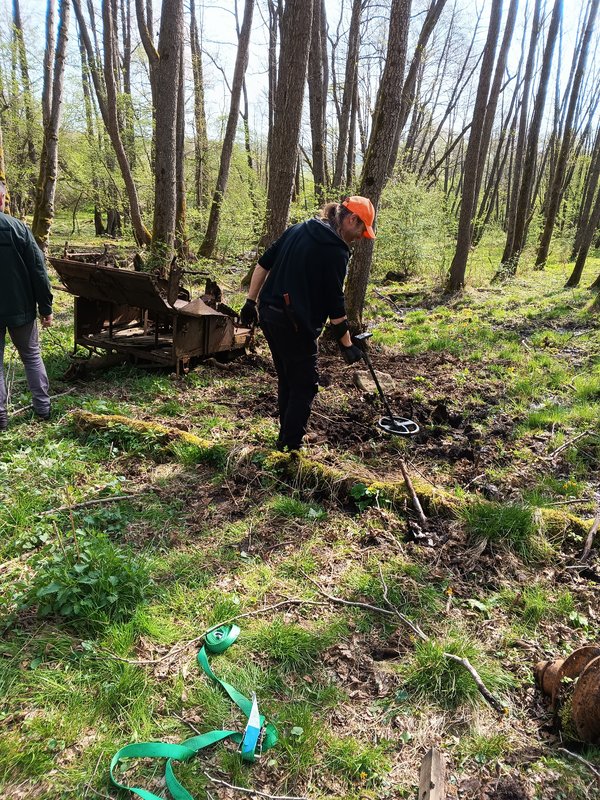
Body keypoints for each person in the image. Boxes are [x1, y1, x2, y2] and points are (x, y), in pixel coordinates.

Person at [240, 195, 376, 451]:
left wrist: (250, 301)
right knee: (305, 385)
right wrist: (347, 345)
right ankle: (290, 449)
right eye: (361, 229)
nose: (360, 237)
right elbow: (335, 302)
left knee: (288, 380)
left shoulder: (298, 228)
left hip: (268, 314)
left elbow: (262, 264)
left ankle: (286, 437)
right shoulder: (335, 250)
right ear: (351, 219)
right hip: (293, 324)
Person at [0, 181, 53, 431]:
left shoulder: (19, 228)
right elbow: (38, 271)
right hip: (20, 308)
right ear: (2, 200)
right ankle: (43, 408)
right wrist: (46, 308)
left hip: (19, 308)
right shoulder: (19, 228)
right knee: (31, 356)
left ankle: (0, 417)